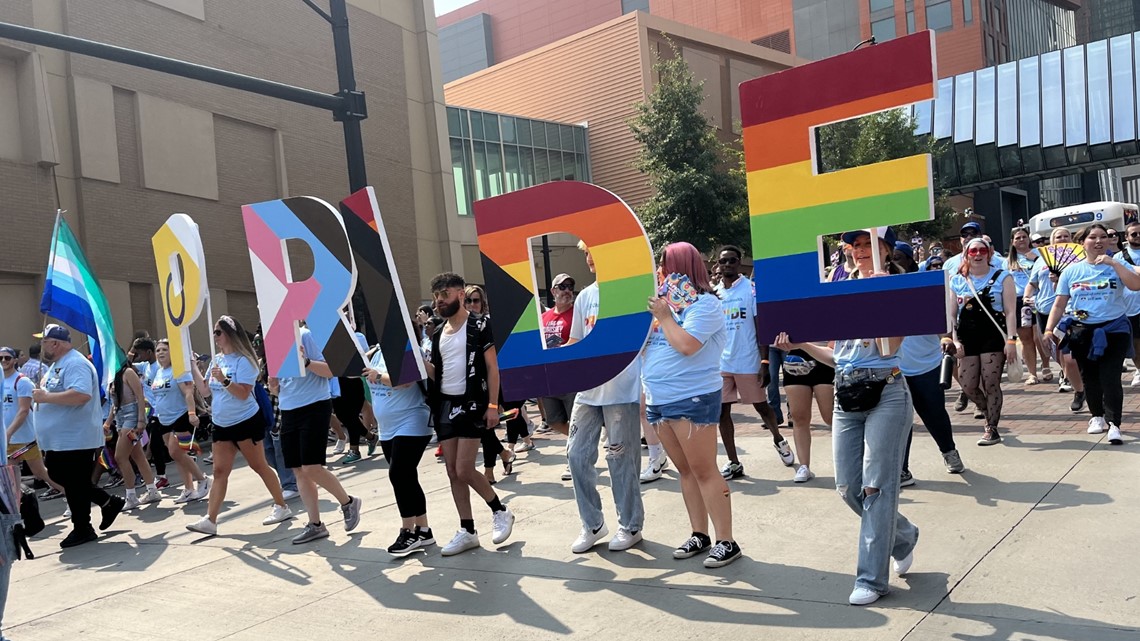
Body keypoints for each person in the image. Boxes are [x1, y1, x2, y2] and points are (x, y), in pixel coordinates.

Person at [773, 321, 918, 606]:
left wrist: (876, 291)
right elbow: (836, 355)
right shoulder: (843, 301)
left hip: (887, 389)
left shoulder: (887, 296)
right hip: (846, 391)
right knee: (848, 486)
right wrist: (800, 344)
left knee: (876, 486)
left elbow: (888, 347)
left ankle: (871, 580)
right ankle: (903, 536)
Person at [644, 242, 741, 569]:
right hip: (659, 399)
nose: (662, 270)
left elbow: (686, 345)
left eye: (666, 264)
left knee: (704, 469)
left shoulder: (705, 305)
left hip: (693, 397)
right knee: (685, 471)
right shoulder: (662, 305)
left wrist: (665, 316)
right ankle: (699, 533)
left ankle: (726, 540)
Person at [426, 272, 515, 556]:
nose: (440, 302)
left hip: (473, 402)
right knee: (453, 472)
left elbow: (492, 368)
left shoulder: (479, 325)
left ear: (461, 295)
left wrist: (492, 405)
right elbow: (437, 373)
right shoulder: (438, 333)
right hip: (445, 404)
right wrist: (415, 362)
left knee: (464, 468)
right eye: (437, 297)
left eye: (445, 295)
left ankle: (500, 510)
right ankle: (467, 530)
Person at [565, 241, 645, 553]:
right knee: (576, 455)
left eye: (591, 251)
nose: (587, 258)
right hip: (588, 390)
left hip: (620, 389)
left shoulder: (630, 291)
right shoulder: (586, 296)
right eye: (584, 253)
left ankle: (631, 525)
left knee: (620, 458)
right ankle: (593, 523)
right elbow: (576, 339)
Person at [186, 316, 293, 536]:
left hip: (245, 421)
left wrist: (225, 380)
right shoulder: (217, 360)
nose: (215, 337)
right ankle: (210, 519)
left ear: (230, 334)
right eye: (214, 332)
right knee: (219, 470)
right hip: (221, 423)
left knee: (259, 466)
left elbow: (243, 393)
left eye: (218, 332)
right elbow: (206, 391)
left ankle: (282, 506)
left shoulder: (245, 361)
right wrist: (193, 367)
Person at [1046, 224, 1140, 445]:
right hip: (1082, 331)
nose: (1098, 241)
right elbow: (1060, 304)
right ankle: (1096, 416)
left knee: (1110, 378)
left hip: (1114, 329)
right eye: (1093, 237)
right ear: (1083, 243)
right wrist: (1049, 329)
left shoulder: (1118, 263)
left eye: (1103, 237)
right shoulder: (1071, 271)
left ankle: (1114, 423)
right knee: (1090, 377)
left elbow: (1135, 285)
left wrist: (1114, 263)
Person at [33, 324, 126, 547]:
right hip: (60, 440)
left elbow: (81, 394)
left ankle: (83, 527)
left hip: (75, 437)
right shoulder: (56, 365)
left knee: (73, 482)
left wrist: (45, 398)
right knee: (68, 479)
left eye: (44, 341)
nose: (41, 345)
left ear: (55, 343)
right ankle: (107, 502)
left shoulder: (75, 364)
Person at [269, 323, 363, 544]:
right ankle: (315, 524)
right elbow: (280, 383)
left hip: (314, 405)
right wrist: (273, 386)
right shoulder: (274, 341)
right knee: (299, 470)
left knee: (312, 467)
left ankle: (348, 502)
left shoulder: (305, 335)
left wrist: (307, 362)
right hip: (288, 408)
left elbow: (331, 370)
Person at [714, 245, 793, 480]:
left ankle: (778, 439)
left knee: (761, 407)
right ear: (717, 265)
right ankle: (734, 462)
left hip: (748, 361)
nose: (727, 265)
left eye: (731, 260)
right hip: (722, 363)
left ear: (739, 263)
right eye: (723, 261)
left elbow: (761, 328)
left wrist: (765, 361)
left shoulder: (751, 290)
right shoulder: (714, 294)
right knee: (721, 413)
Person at [364, 340, 435, 556]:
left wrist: (376, 375)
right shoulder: (375, 352)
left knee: (398, 474)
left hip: (412, 419)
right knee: (407, 477)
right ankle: (423, 530)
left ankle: (408, 532)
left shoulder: (410, 349)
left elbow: (405, 381)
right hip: (387, 428)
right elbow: (350, 371)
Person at [948, 237, 1018, 446]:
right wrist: (955, 340)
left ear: (989, 253)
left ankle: (992, 427)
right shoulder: (957, 280)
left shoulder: (1002, 277)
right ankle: (988, 411)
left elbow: (1010, 311)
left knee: (991, 382)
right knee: (968, 384)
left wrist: (1012, 340)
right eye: (973, 251)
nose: (978, 255)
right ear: (966, 254)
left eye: (982, 251)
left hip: (993, 335)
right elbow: (951, 314)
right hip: (967, 336)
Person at [1025, 227, 1086, 411]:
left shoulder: (1080, 258)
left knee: (1064, 346)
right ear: (1051, 240)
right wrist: (1028, 297)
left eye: (1066, 236)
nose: (1062, 239)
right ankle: (1067, 371)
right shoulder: (1042, 259)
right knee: (1050, 346)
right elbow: (1032, 282)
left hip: (1067, 310)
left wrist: (1059, 279)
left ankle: (1071, 379)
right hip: (1043, 308)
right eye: (1058, 236)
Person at [463, 285, 517, 483]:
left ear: (482, 303)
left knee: (485, 426)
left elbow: (495, 361)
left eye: (476, 300)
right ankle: (503, 454)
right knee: (483, 428)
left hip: (489, 381)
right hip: (468, 384)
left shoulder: (487, 324)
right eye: (468, 301)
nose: (472, 305)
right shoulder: (460, 325)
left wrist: (496, 399)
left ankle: (489, 470)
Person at [148, 339, 211, 504]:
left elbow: (188, 392)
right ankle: (188, 489)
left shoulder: (179, 370)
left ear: (173, 353)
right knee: (178, 455)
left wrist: (192, 414)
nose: (161, 353)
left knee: (176, 452)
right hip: (164, 419)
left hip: (181, 416)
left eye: (165, 350)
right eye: (158, 350)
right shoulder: (159, 372)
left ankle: (203, 479)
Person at [2, 346, 64, 496]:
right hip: (6, 439)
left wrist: (8, 433)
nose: (3, 361)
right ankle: (16, 508)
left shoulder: (21, 381)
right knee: (8, 475)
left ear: (15, 360)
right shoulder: (0, 381)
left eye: (7, 358)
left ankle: (71, 495)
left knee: (40, 472)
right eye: (0, 358)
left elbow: (23, 410)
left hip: (24, 439)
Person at [105, 358, 162, 511]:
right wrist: (108, 422)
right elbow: (114, 404)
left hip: (131, 417)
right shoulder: (113, 377)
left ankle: (131, 496)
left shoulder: (128, 373)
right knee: (137, 455)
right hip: (120, 417)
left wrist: (141, 420)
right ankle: (152, 490)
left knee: (120, 456)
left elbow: (139, 397)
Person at [540, 273, 579, 481]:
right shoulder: (544, 318)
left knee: (575, 422)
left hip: (571, 376)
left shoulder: (577, 314)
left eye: (570, 286)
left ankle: (573, 460)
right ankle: (582, 442)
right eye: (562, 286)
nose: (567, 290)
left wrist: (563, 349)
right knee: (554, 421)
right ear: (553, 291)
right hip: (549, 378)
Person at [1004, 228, 1047, 385]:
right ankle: (1032, 373)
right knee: (1026, 338)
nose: (1021, 240)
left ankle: (1046, 366)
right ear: (1012, 242)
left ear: (1029, 239)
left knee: (1039, 336)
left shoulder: (1040, 254)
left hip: (1038, 297)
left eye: (1024, 237)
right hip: (1017, 301)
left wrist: (1035, 258)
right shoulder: (1008, 261)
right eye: (1017, 238)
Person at [130, 338, 170, 489]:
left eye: (139, 354)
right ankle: (163, 476)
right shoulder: (144, 366)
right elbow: (128, 364)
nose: (138, 357)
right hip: (152, 412)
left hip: (160, 410)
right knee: (157, 444)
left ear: (148, 352)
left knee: (156, 444)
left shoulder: (157, 368)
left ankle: (162, 476)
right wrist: (132, 352)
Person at [1115, 221, 1140, 388]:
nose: (1138, 236)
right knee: (1136, 343)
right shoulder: (1117, 258)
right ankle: (1139, 369)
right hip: (1129, 307)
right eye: (1134, 234)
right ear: (1126, 237)